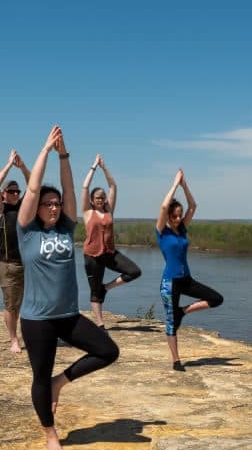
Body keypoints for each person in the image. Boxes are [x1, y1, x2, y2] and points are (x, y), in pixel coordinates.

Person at [17, 126, 119, 450]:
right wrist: (45, 151)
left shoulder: (67, 226)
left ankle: (62, 382)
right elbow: (32, 189)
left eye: (56, 204)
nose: (53, 207)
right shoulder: (27, 231)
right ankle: (50, 432)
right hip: (37, 320)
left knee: (108, 351)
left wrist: (64, 155)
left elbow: (70, 188)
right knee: (40, 376)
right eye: (47, 204)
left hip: (68, 316)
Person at [156, 169, 223, 371]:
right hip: (170, 283)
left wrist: (185, 186)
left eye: (179, 215)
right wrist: (174, 184)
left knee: (216, 299)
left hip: (186, 279)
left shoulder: (182, 229)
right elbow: (163, 205)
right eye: (174, 216)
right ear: (168, 217)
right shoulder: (161, 232)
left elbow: (193, 206)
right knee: (170, 323)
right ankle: (176, 361)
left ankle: (183, 311)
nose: (177, 218)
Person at [81, 154, 142, 327]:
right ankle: (100, 324)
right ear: (92, 201)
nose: (100, 199)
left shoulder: (109, 212)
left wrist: (104, 168)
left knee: (134, 271)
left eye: (102, 197)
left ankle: (106, 288)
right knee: (94, 292)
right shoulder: (87, 213)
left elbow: (113, 186)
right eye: (97, 197)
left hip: (109, 253)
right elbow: (85, 187)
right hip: (92, 256)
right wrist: (93, 167)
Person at [0, 149, 31, 353]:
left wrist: (22, 166)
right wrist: (8, 165)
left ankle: (28, 334)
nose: (15, 194)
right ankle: (13, 339)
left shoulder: (23, 208)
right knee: (11, 305)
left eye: (17, 191)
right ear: (4, 195)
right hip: (7, 264)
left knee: (25, 303)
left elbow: (34, 186)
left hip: (27, 262)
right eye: (11, 191)